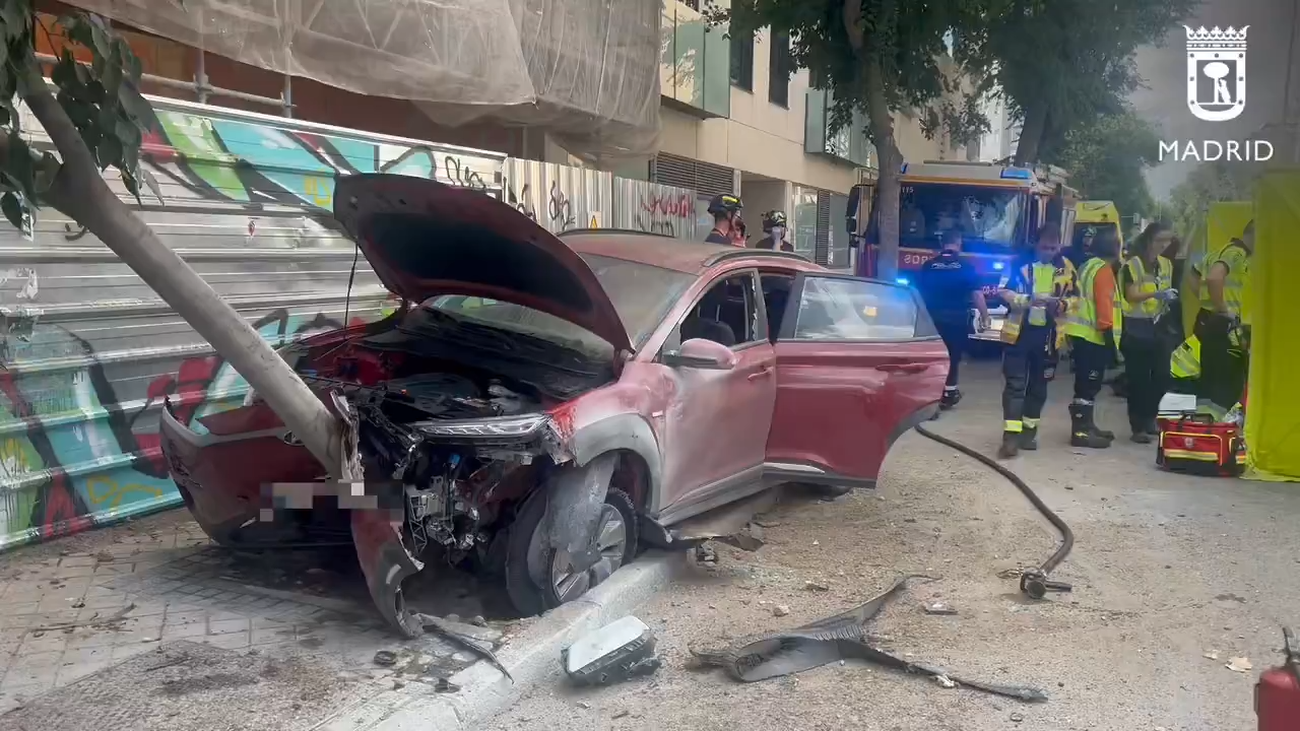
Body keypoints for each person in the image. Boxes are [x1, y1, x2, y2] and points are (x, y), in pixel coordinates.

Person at [995, 224, 1077, 459]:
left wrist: (1061, 305)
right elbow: (1003, 291)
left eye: (1053, 248)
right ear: (1036, 244)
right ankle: (1010, 438)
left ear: (1059, 246)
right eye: (1044, 247)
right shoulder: (1018, 263)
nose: (1048, 252)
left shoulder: (1067, 268)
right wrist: (1028, 300)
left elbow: (1076, 299)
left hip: (1048, 336)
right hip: (1019, 334)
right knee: (1015, 386)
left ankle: (1028, 433)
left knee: (1039, 387)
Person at [1062, 227, 1123, 449]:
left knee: (1085, 383)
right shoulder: (1104, 270)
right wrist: (1110, 343)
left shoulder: (1088, 265)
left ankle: (1086, 425)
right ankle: (1081, 431)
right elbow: (1105, 307)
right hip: (1094, 335)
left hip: (1080, 333)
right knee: (1088, 385)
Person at [1119, 222, 1179, 443]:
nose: (1164, 245)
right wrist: (1157, 295)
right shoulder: (1133, 265)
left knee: (1162, 375)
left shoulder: (1166, 264)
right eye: (1159, 240)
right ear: (1148, 240)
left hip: (1159, 324)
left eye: (1168, 241)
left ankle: (1151, 418)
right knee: (1139, 378)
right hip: (1136, 326)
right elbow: (1131, 295)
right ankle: (1139, 426)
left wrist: (1166, 299)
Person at [918, 229, 990, 410]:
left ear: (942, 245)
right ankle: (949, 393)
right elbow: (976, 294)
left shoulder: (929, 266)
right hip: (957, 320)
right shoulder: (966, 266)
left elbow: (916, 294)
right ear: (958, 244)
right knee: (953, 356)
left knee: (934, 358)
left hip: (932, 320)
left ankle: (931, 395)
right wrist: (986, 316)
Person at [1194, 220, 1253, 415]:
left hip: (1210, 321)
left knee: (1212, 379)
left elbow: (1193, 274)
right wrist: (1223, 309)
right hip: (1225, 325)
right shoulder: (1236, 253)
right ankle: (1220, 427)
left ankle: (1207, 424)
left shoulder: (1216, 252)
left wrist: (1206, 300)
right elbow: (1214, 277)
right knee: (1229, 381)